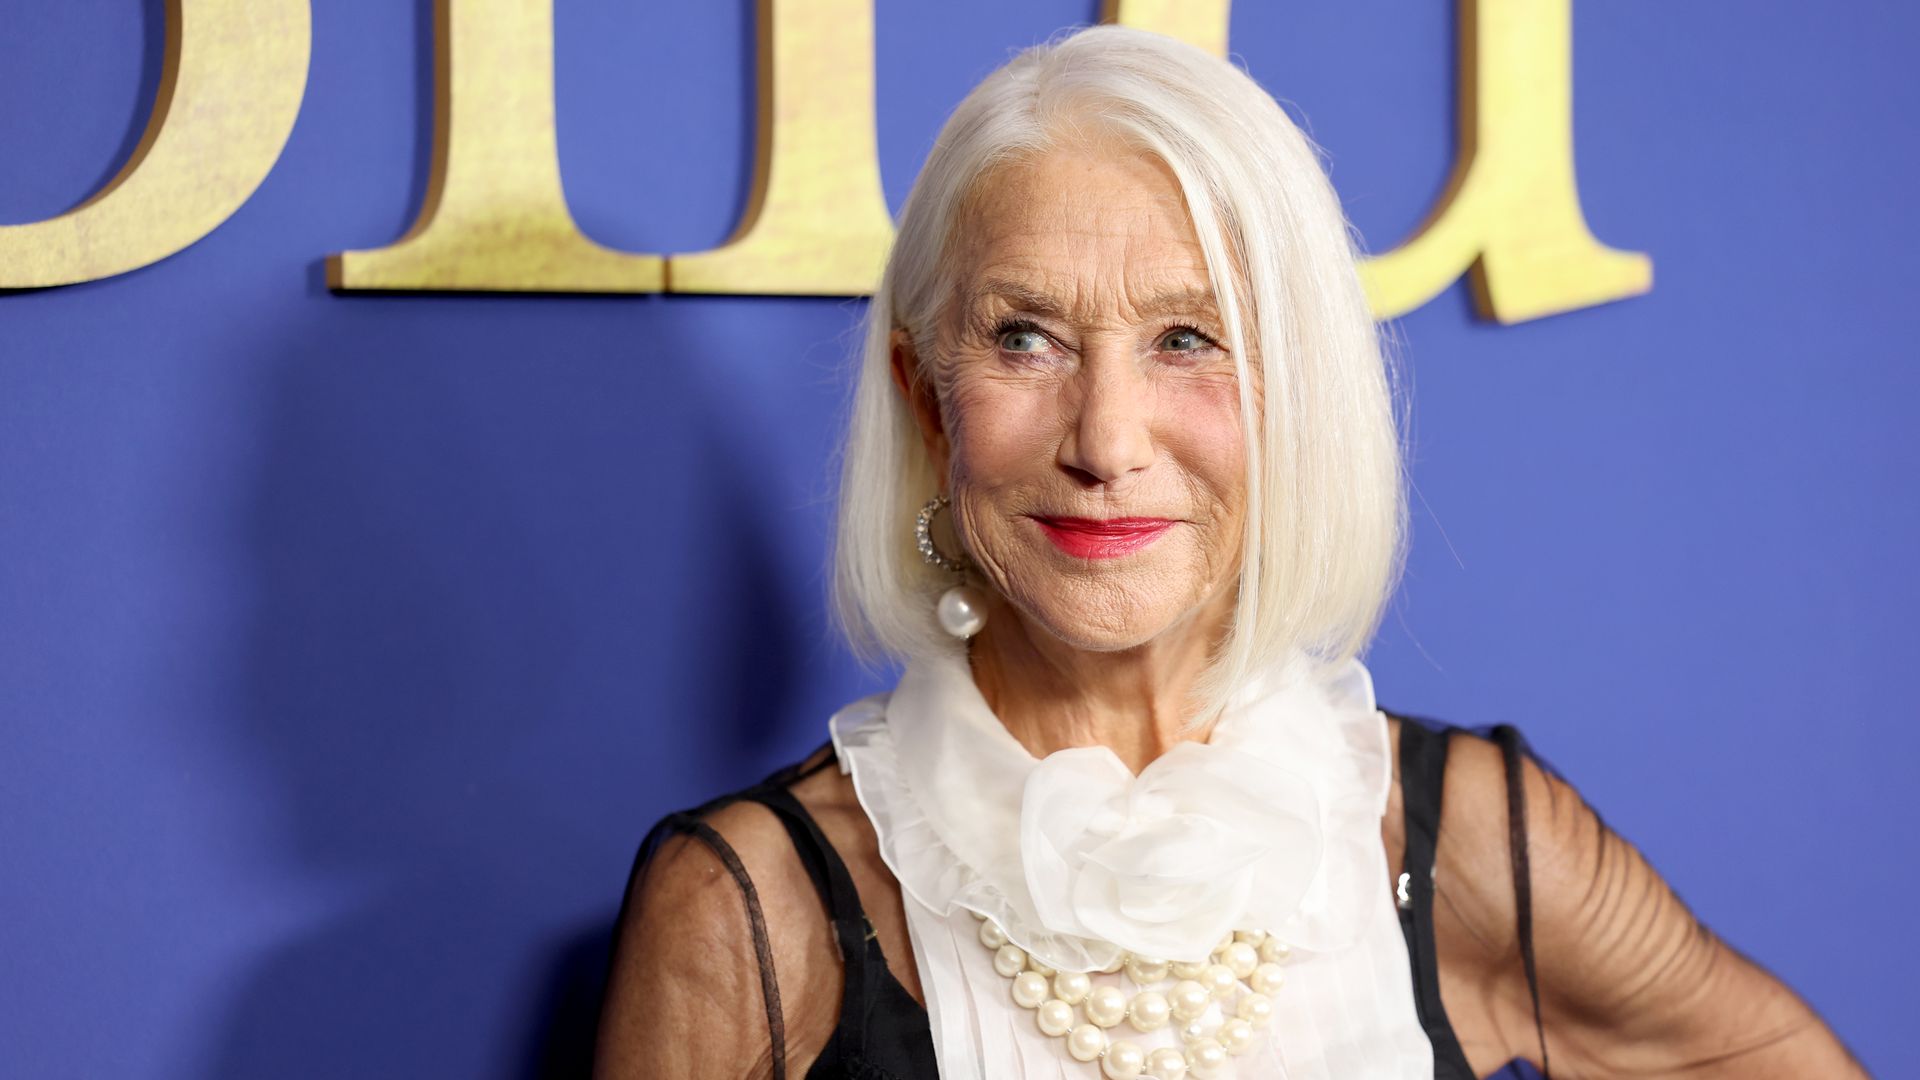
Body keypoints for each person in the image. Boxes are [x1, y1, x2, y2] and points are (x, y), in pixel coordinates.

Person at [592, 24, 1866, 1080]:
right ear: (927, 398)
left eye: (1189, 339)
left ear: (1295, 392)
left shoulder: (1463, 841)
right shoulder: (748, 911)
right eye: (1025, 337)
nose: (1106, 441)